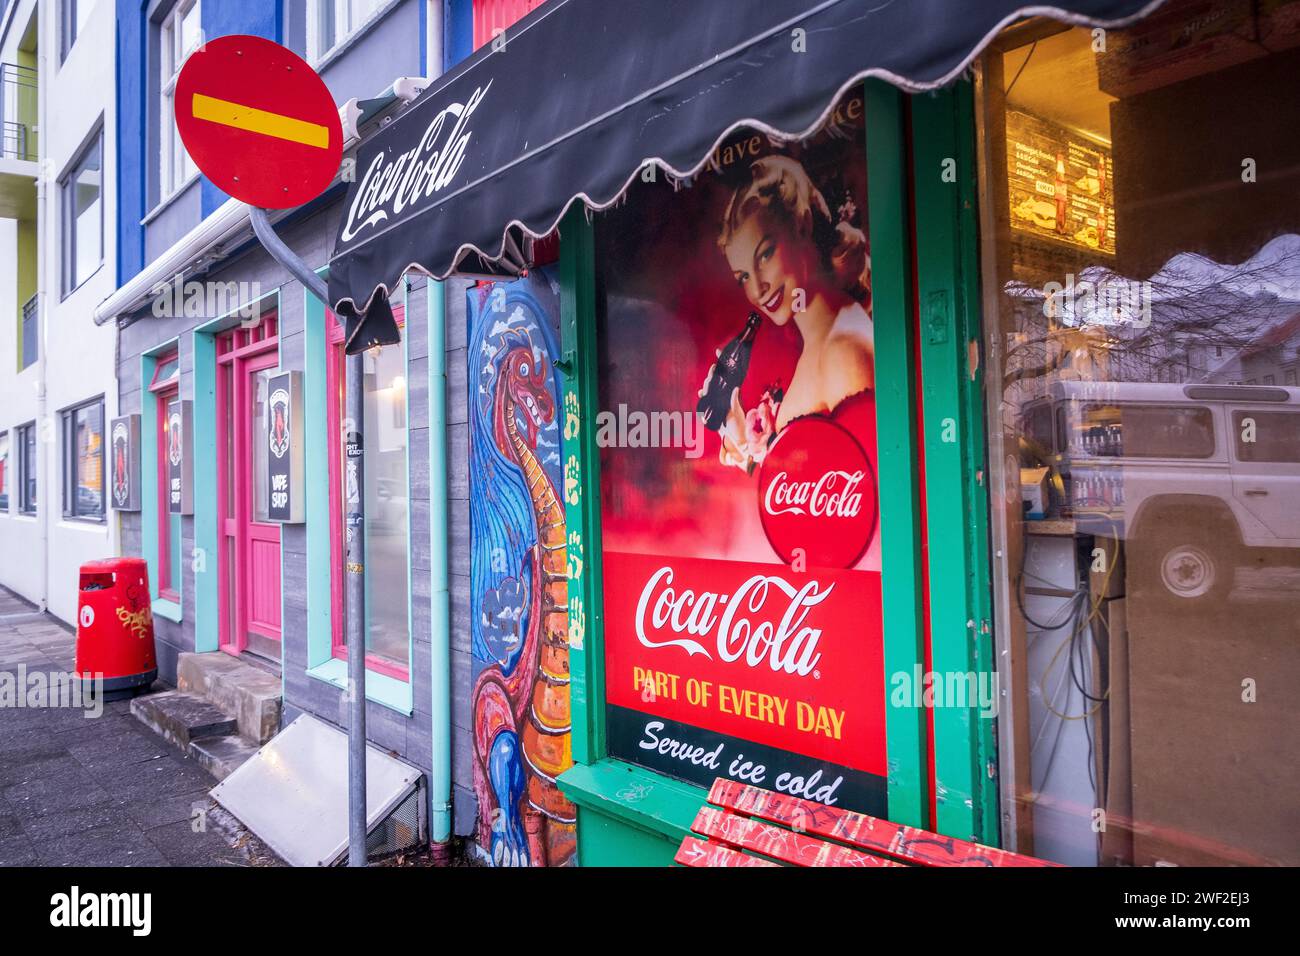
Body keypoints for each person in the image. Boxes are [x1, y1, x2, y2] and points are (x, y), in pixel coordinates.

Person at [702, 155, 875, 470]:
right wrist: (739, 433)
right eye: (743, 277)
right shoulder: (823, 342)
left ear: (803, 224)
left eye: (765, 254)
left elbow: (863, 491)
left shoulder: (842, 351)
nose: (758, 288)